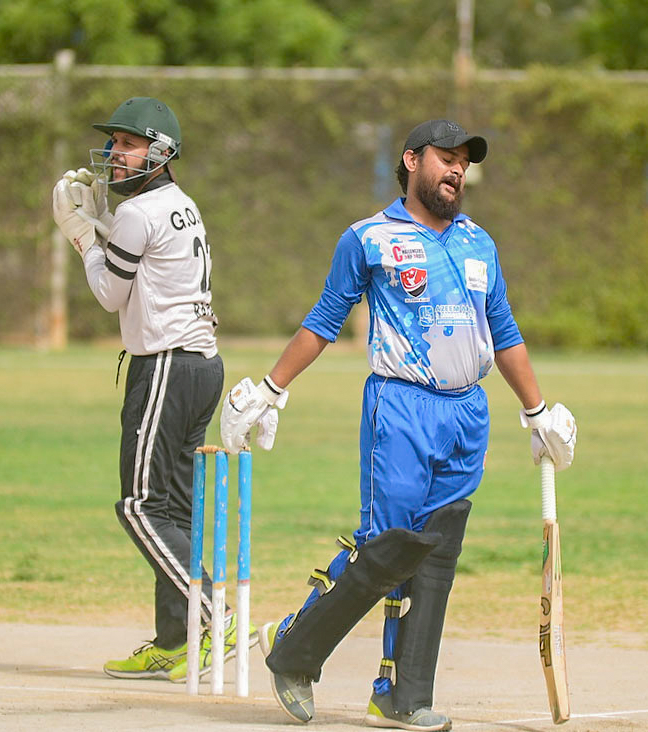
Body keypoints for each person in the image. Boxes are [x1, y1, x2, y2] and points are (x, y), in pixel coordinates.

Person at [220, 119, 577, 730]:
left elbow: (504, 331)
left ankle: (401, 695)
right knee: (388, 545)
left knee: (436, 553)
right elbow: (324, 319)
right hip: (402, 405)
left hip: (468, 412)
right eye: (445, 157)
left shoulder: (479, 244)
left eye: (464, 161)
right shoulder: (369, 238)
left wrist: (537, 411)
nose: (456, 169)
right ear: (412, 161)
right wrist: (271, 389)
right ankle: (296, 650)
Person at [51, 96, 253, 683]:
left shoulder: (139, 213)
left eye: (128, 144)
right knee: (173, 511)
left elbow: (109, 294)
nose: (115, 153)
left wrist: (82, 235)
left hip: (166, 367)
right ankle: (176, 639)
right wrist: (104, 226)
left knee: (139, 507)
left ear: (160, 152)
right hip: (202, 366)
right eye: (114, 142)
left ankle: (215, 616)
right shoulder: (180, 204)